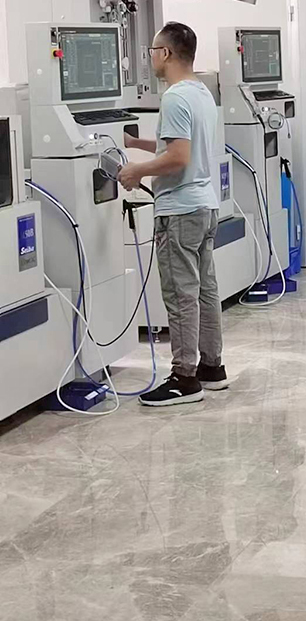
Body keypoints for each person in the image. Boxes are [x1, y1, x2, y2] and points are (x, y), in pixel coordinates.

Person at [118, 21, 228, 406]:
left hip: (179, 211)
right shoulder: (201, 93)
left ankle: (184, 378)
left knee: (181, 295)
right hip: (204, 206)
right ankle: (212, 367)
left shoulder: (174, 98)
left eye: (152, 51)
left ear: (164, 53)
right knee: (205, 291)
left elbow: (178, 158)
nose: (150, 57)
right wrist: (136, 142)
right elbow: (180, 145)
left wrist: (136, 171)